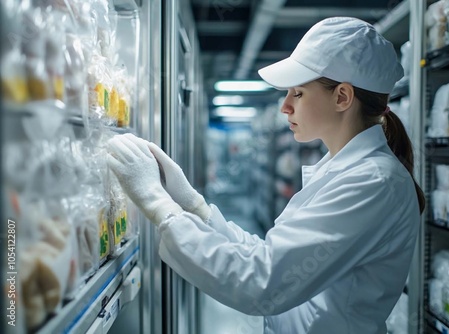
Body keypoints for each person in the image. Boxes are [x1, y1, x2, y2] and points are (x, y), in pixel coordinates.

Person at [107, 17, 425, 334]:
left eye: (297, 93)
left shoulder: (372, 182)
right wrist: (194, 206)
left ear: (342, 97)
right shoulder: (346, 170)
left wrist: (157, 202)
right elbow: (271, 256)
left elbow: (263, 282)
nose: (285, 106)